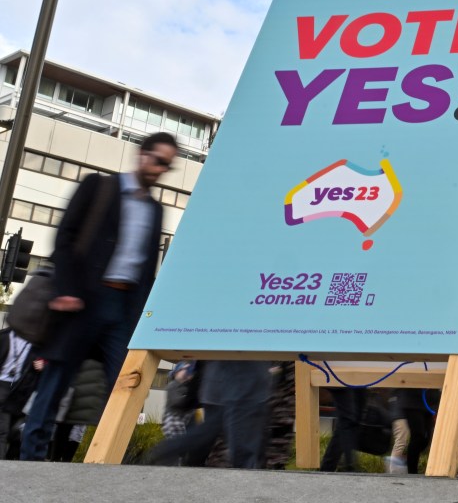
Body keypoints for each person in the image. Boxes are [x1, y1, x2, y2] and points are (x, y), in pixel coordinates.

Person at [20, 132, 177, 461]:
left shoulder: (155, 210)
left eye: (168, 165)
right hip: (82, 302)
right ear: (142, 155)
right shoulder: (98, 187)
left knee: (125, 383)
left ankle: (107, 461)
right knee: (55, 382)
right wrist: (65, 289)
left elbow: (147, 270)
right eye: (159, 160)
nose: (161, 169)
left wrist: (144, 318)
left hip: (123, 307)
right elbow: (65, 238)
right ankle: (31, 461)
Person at [147, 360, 272, 468]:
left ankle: (168, 449)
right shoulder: (173, 385)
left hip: (218, 385)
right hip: (238, 384)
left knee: (210, 429)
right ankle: (168, 449)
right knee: (238, 435)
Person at [0, 327, 43, 459]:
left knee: (14, 432)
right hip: (2, 384)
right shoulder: (4, 337)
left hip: (20, 390)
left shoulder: (36, 344)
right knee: (2, 431)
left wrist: (42, 367)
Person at [320, 387, 366, 472]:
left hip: (356, 379)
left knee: (354, 419)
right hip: (339, 379)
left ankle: (329, 466)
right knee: (347, 419)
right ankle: (348, 464)